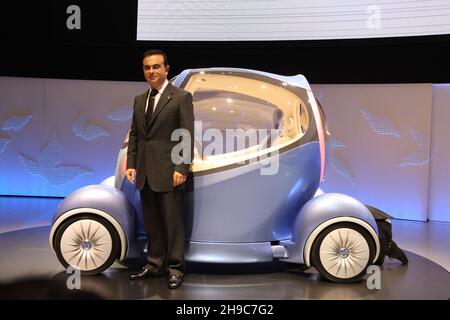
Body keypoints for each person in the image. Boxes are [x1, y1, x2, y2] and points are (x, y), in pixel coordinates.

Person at [126, 49, 194, 289]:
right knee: (152, 224)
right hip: (144, 172)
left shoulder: (181, 97)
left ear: (167, 69)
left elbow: (186, 135)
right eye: (147, 67)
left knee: (174, 225)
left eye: (156, 67)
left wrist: (182, 167)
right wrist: (131, 163)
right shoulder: (139, 99)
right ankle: (155, 264)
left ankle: (175, 269)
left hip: (170, 172)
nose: (151, 71)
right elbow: (135, 135)